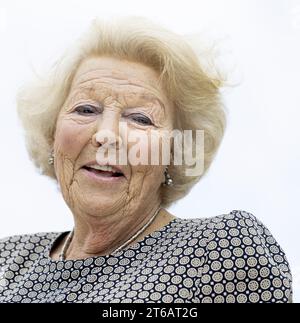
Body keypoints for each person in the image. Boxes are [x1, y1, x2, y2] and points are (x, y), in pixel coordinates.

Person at [0, 16, 292, 303]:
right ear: (52, 135)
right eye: (86, 110)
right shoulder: (7, 261)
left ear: (174, 153)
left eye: (140, 118)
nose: (106, 135)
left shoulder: (220, 252)